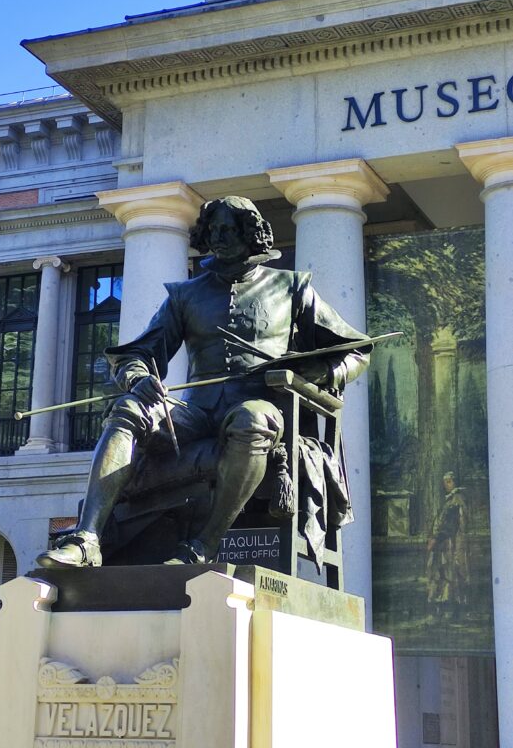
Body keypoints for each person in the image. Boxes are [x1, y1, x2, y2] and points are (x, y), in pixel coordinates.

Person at [37, 196, 370, 568]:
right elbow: (136, 354)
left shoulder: (291, 288)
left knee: (252, 420)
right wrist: (139, 377)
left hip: (259, 408)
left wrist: (321, 373)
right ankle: (88, 539)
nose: (219, 238)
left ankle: (203, 545)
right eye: (213, 231)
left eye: (229, 229)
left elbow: (356, 352)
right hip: (195, 415)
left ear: (251, 233)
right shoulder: (186, 295)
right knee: (128, 408)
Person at [426, 471, 470, 620]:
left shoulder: (456, 501)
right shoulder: (450, 500)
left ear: (454, 482)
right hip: (448, 542)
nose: (446, 485)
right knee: (448, 572)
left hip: (452, 542)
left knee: (453, 572)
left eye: (449, 482)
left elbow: (451, 525)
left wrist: (436, 538)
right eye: (445, 482)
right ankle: (452, 605)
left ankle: (455, 607)